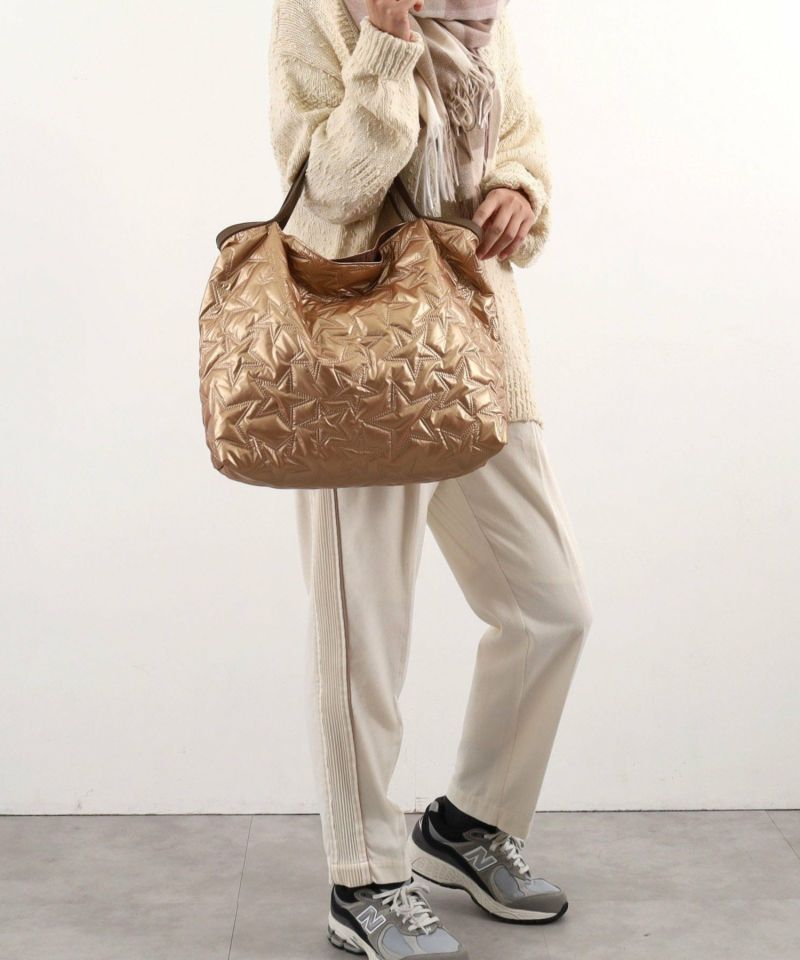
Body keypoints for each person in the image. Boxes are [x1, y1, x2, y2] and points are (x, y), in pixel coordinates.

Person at [269, 1, 593, 956]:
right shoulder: (320, 9)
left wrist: (520, 190)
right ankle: (363, 880)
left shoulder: (486, 9)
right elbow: (325, 191)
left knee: (552, 610)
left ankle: (468, 822)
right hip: (363, 363)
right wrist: (384, 52)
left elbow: (518, 133)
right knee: (363, 638)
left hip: (476, 351)